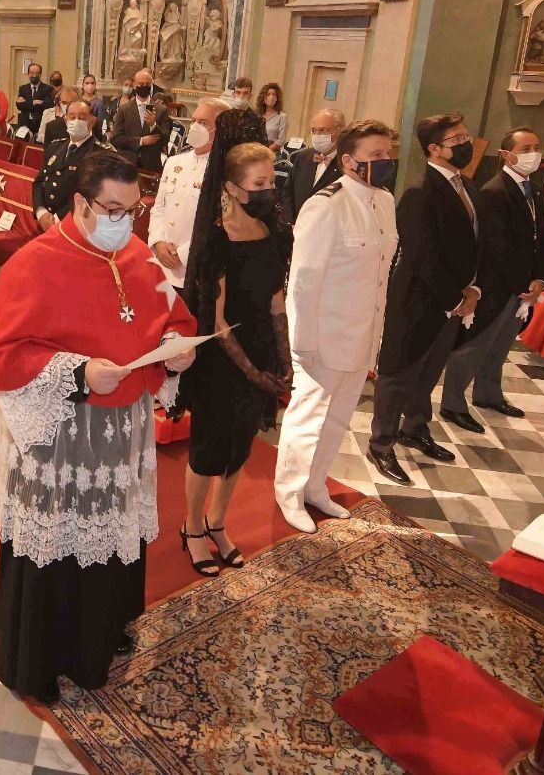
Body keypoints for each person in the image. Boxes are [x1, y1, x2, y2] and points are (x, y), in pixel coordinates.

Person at [0, 152, 198, 703]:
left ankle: (96, 637)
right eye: (113, 209)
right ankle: (39, 660)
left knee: (110, 527)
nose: (125, 222)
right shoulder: (35, 262)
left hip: (121, 426)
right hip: (61, 428)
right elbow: (4, 353)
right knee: (55, 540)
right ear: (80, 202)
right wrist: (78, 372)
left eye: (133, 209)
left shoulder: (138, 254)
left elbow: (171, 315)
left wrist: (175, 347)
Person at [176, 121, 290, 574]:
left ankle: (217, 522)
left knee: (240, 447)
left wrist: (283, 359)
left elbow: (276, 300)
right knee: (208, 451)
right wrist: (255, 373)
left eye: (271, 181)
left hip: (261, 353)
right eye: (259, 184)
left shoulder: (274, 233)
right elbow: (219, 322)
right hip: (222, 361)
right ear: (231, 187)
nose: (268, 191)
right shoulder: (217, 240)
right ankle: (191, 528)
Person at [276, 120, 399, 532]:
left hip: (362, 335)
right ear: (348, 160)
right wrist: (302, 343)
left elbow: (380, 278)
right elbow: (303, 281)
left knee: (337, 419)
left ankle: (315, 486)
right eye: (375, 155)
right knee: (308, 419)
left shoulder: (385, 202)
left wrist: (377, 338)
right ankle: (289, 493)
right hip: (323, 336)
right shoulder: (326, 205)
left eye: (388, 153)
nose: (385, 161)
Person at [368, 112, 482, 485]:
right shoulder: (420, 192)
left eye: (466, 136)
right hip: (418, 300)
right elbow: (422, 255)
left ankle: (415, 429)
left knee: (430, 370)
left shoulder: (467, 186)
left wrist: (474, 289)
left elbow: (475, 245)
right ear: (434, 149)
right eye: (456, 140)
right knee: (399, 373)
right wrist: (454, 298)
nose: (466, 144)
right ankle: (381, 443)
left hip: (453, 301)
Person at [439, 128, 544, 426]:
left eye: (536, 147)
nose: (533, 154)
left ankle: (488, 394)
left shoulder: (534, 190)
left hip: (523, 286)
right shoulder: (495, 191)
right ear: (506, 155)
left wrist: (540, 279)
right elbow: (496, 247)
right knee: (476, 346)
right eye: (525, 149)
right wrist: (523, 283)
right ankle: (452, 403)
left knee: (501, 345)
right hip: (498, 285)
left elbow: (542, 240)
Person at [148, 97, 227, 289]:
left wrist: (182, 255)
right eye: (193, 121)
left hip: (195, 269)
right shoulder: (174, 162)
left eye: (203, 123)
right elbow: (159, 208)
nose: (195, 127)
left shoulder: (225, 171)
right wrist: (158, 242)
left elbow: (219, 222)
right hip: (161, 265)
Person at [32, 99, 113, 229]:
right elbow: (39, 182)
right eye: (72, 117)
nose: (76, 121)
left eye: (82, 118)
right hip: (45, 222)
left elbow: (91, 195)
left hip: (75, 225)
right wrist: (41, 212)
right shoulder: (55, 147)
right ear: (66, 121)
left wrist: (57, 219)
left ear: (92, 121)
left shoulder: (100, 154)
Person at [285, 108, 347, 221]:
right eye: (314, 130)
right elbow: (288, 192)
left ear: (340, 131)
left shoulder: (347, 163)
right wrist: (290, 222)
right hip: (297, 224)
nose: (317, 135)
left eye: (323, 130)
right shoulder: (303, 156)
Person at [107, 68, 170, 172]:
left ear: (151, 86)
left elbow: (165, 140)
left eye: (147, 84)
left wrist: (153, 125)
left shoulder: (161, 110)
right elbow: (116, 139)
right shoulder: (123, 109)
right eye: (141, 84)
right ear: (135, 85)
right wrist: (140, 141)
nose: (144, 86)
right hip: (127, 163)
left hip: (151, 165)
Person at [15, 62, 51, 140]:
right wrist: (34, 102)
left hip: (40, 125)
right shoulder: (23, 88)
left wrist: (27, 104)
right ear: (28, 74)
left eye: (37, 73)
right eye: (32, 73)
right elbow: (19, 105)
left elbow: (47, 105)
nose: (34, 75)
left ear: (40, 74)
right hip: (24, 124)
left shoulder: (47, 89)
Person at [258, 82, 287, 151]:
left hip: (272, 152)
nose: (271, 97)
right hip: (256, 150)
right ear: (263, 97)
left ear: (277, 98)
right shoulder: (257, 115)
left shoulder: (282, 116)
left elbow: (281, 140)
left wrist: (266, 151)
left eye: (274, 94)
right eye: (268, 94)